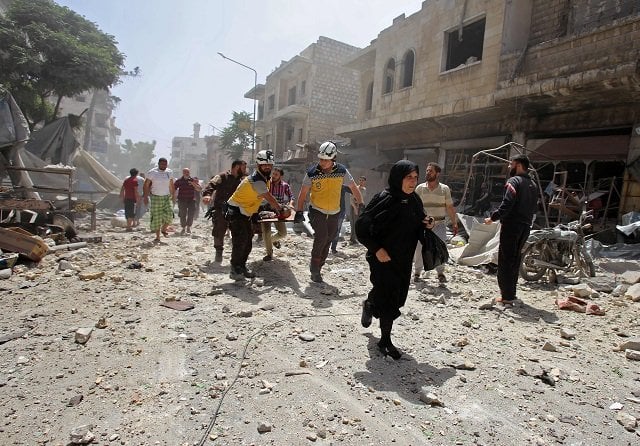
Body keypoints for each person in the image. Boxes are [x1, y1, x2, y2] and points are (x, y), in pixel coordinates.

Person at [356, 160, 428, 360]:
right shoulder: (383, 199)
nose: (413, 182)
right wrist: (377, 249)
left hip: (404, 259)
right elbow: (361, 228)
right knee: (388, 297)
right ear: (398, 178)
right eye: (408, 177)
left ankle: (370, 305)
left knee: (395, 296)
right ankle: (385, 340)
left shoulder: (414, 200)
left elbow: (419, 218)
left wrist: (427, 222)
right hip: (382, 258)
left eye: (415, 177)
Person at [294, 141, 363, 283]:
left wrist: (361, 203)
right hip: (316, 210)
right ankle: (314, 269)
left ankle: (319, 265)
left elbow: (354, 187)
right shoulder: (312, 173)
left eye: (326, 160)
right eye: (321, 159)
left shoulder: (342, 171)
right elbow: (303, 194)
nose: (323, 162)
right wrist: (299, 211)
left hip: (334, 212)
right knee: (321, 236)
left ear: (333, 159)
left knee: (329, 238)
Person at [484, 154, 538, 306]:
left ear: (518, 165)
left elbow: (507, 204)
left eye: (511, 164)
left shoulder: (514, 181)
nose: (509, 167)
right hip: (525, 227)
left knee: (506, 260)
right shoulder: (532, 184)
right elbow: (535, 208)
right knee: (515, 260)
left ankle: (506, 296)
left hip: (512, 226)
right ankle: (511, 293)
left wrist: (492, 218)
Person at [226, 150, 283, 280]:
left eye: (269, 165)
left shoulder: (264, 178)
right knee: (240, 241)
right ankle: (235, 269)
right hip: (236, 212)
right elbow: (269, 197)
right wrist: (280, 208)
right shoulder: (257, 180)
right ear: (258, 165)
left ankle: (242, 267)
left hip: (245, 212)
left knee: (247, 241)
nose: (267, 167)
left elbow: (260, 199)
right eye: (264, 165)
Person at [413, 162, 458, 283]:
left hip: (439, 224)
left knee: (440, 248)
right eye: (427, 171)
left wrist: (454, 223)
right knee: (419, 248)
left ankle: (440, 273)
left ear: (437, 173)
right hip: (423, 225)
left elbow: (449, 207)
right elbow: (415, 206)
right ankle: (417, 272)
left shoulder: (444, 189)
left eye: (430, 171)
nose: (427, 173)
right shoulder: (420, 188)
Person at [202, 160, 247, 263]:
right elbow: (211, 184)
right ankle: (219, 251)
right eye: (243, 168)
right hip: (222, 209)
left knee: (239, 233)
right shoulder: (222, 176)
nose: (245, 170)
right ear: (237, 167)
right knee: (219, 230)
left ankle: (237, 258)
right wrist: (207, 195)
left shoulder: (243, 180)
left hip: (237, 210)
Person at [262, 167, 293, 261]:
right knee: (266, 233)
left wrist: (290, 204)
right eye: (273, 174)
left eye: (276, 174)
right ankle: (269, 254)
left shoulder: (285, 185)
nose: (273, 176)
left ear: (281, 176)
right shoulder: (266, 183)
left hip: (279, 211)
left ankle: (272, 240)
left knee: (283, 233)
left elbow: (291, 196)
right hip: (265, 211)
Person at [143, 158, 175, 242]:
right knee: (157, 217)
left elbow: (171, 184)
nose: (164, 166)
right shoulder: (152, 172)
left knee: (170, 215)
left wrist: (173, 195)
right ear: (158, 164)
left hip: (166, 197)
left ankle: (164, 229)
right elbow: (146, 185)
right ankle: (157, 237)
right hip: (155, 197)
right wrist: (145, 196)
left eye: (165, 164)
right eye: (162, 164)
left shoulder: (169, 172)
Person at [173, 167, 202, 235]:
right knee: (182, 214)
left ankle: (188, 227)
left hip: (191, 200)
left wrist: (193, 184)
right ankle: (183, 228)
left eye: (188, 172)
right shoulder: (179, 180)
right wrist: (173, 197)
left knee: (191, 214)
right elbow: (174, 188)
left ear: (189, 173)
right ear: (183, 173)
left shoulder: (193, 180)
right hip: (182, 199)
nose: (186, 173)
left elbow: (199, 189)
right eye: (185, 172)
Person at [330, 185, 352, 254]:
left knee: (337, 230)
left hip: (341, 211)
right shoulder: (330, 185)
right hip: (331, 211)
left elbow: (352, 190)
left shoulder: (342, 187)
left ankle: (333, 248)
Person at [349, 176, 367, 244]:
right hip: (354, 207)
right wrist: (355, 208)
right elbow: (351, 200)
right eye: (360, 180)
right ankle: (352, 239)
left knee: (359, 223)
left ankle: (356, 238)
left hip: (360, 207)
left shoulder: (364, 189)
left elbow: (362, 199)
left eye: (362, 180)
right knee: (354, 223)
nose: (361, 181)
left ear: (365, 181)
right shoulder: (355, 188)